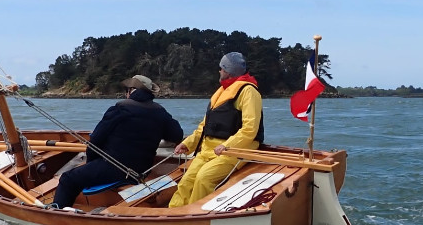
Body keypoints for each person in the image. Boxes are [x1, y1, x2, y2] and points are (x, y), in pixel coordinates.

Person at [50, 75, 183, 210]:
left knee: (68, 179)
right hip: (142, 170)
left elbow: (95, 141)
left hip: (114, 168)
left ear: (132, 90)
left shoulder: (120, 108)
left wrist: (91, 164)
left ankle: (56, 213)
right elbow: (177, 134)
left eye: (127, 90)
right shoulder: (160, 112)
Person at [169, 52, 263, 208]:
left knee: (204, 178)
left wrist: (228, 145)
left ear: (228, 71)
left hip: (234, 149)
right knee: (187, 181)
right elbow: (204, 126)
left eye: (221, 68)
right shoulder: (221, 92)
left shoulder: (249, 92)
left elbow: (250, 128)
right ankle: (173, 211)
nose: (219, 71)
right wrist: (188, 144)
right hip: (208, 149)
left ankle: (194, 215)